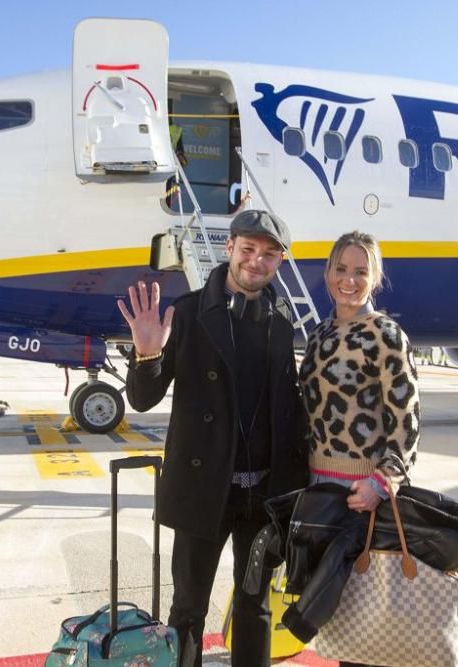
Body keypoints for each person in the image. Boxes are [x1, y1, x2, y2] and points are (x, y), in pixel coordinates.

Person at [118, 209, 308, 667]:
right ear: (230, 249)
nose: (256, 262)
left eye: (269, 255)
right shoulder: (185, 314)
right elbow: (142, 400)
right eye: (248, 250)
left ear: (279, 261)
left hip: (263, 496)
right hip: (206, 491)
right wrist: (146, 355)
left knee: (254, 607)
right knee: (188, 609)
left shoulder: (283, 320)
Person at [297, 231, 420, 667]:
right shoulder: (319, 334)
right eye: (341, 270)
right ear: (328, 272)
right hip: (319, 489)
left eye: (361, 272)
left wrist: (380, 483)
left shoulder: (386, 334)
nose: (349, 281)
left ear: (375, 278)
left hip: (362, 496)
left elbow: (406, 424)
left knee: (367, 617)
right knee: (336, 621)